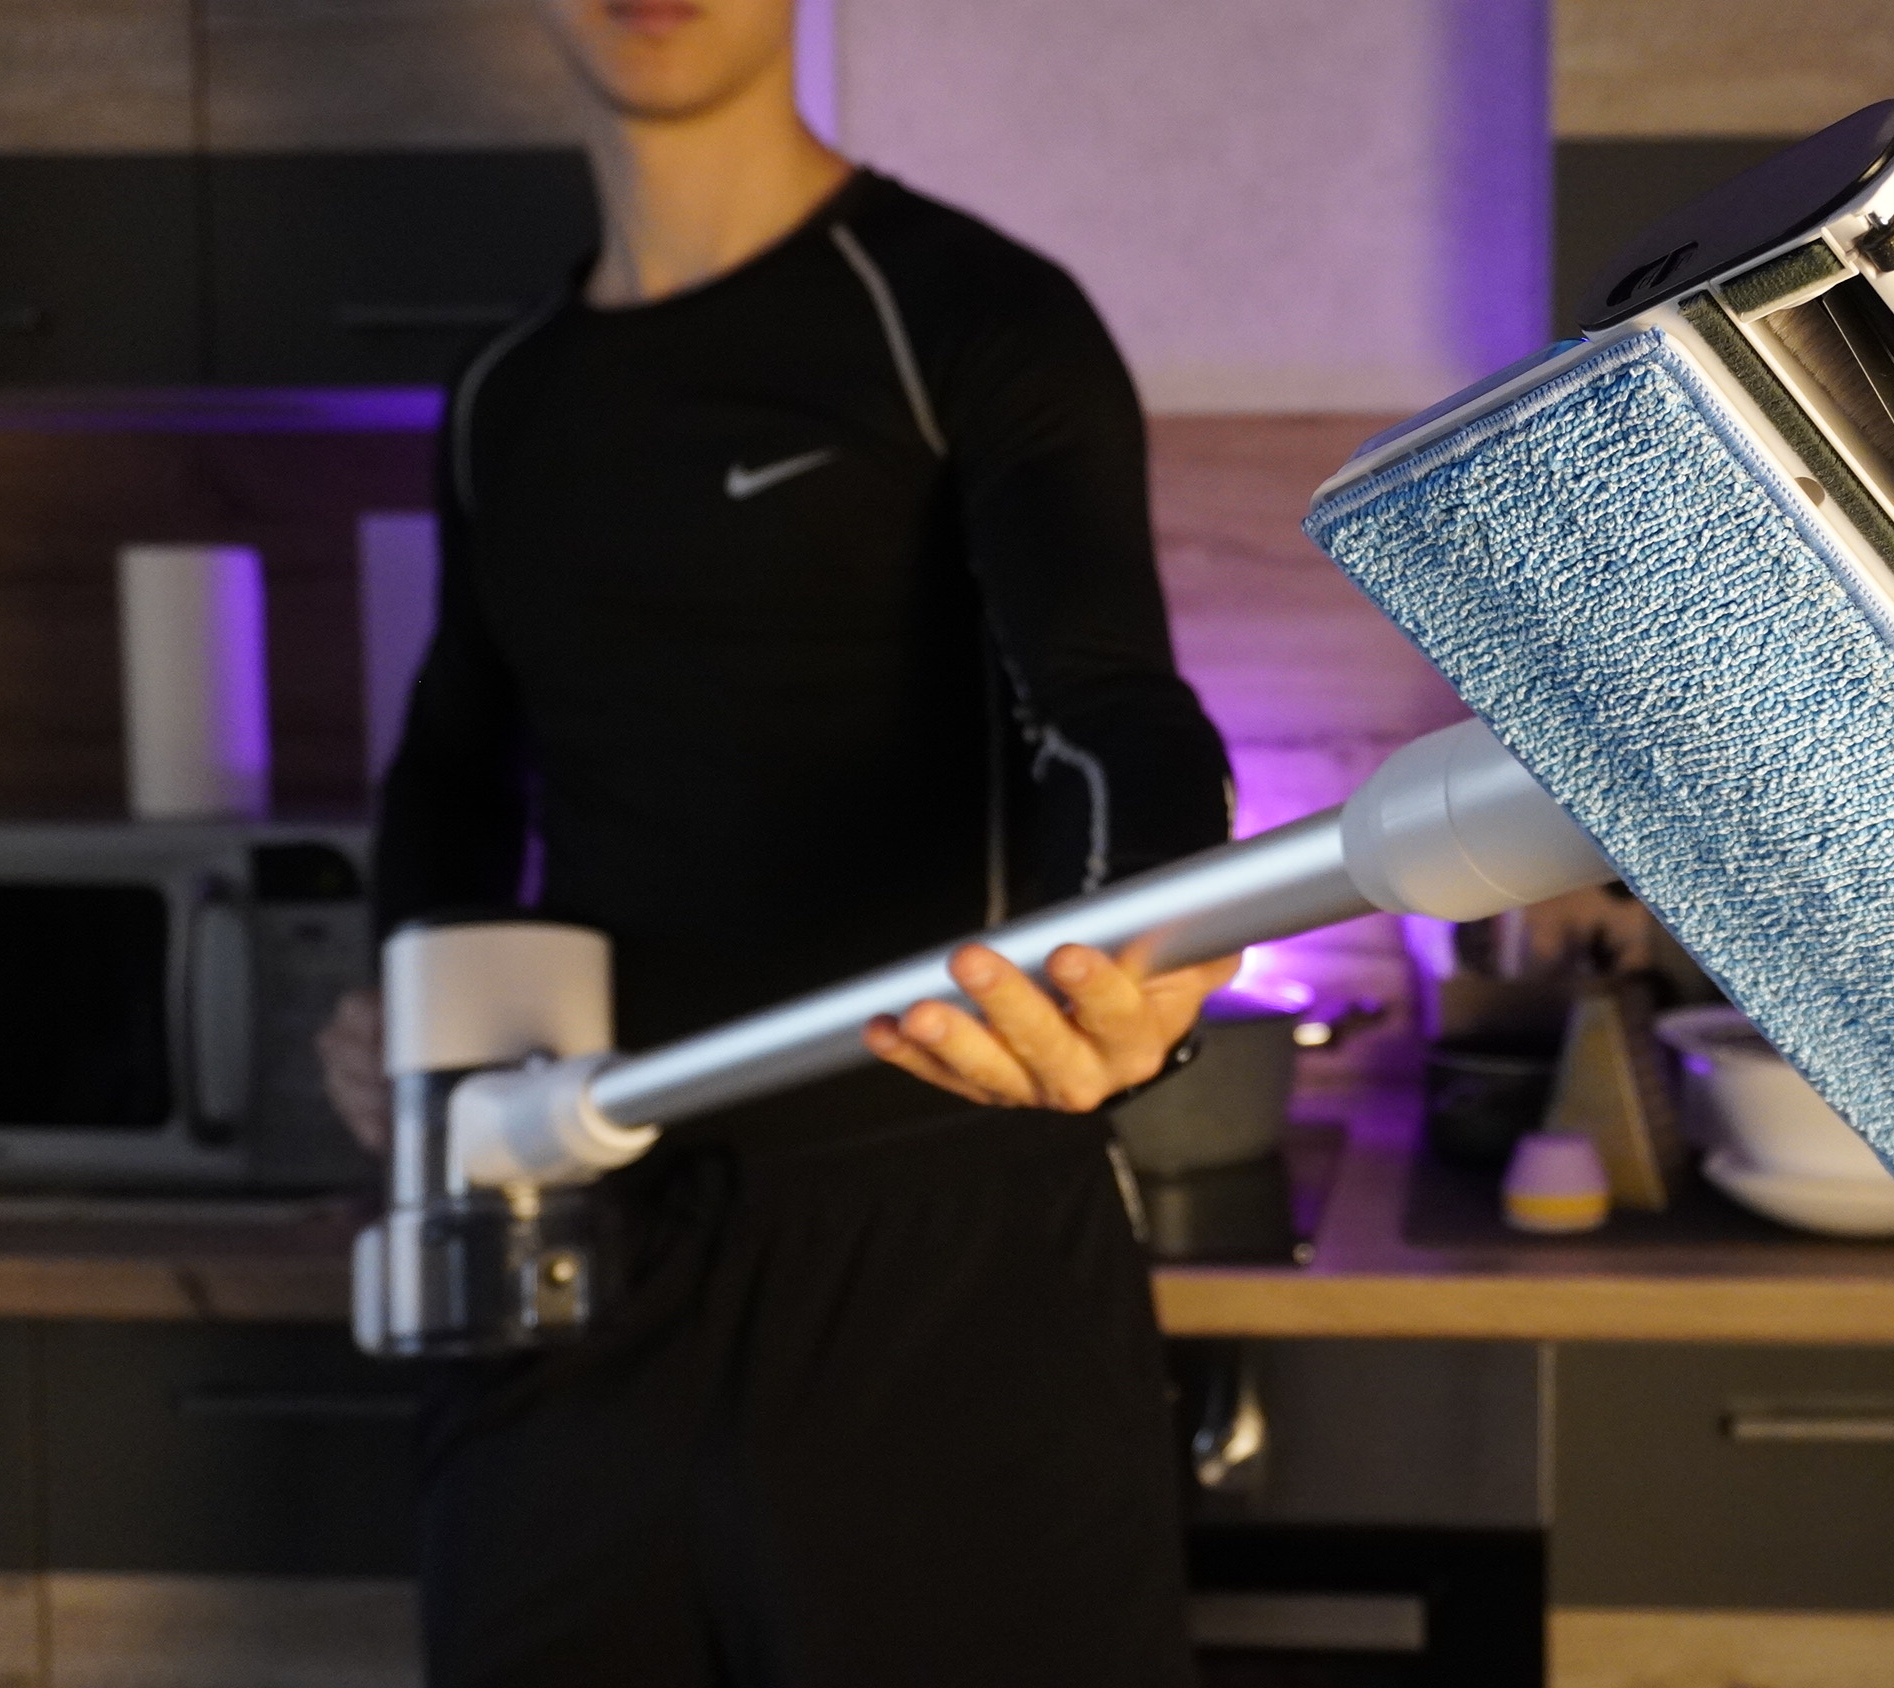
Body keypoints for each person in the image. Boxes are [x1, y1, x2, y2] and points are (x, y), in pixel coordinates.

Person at [313, 0, 1238, 1678]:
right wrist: (408, 1024)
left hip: (945, 1263)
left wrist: (1134, 962)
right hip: (579, 1254)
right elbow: (451, 773)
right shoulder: (504, 397)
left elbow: (1113, 710)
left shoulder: (966, 310)